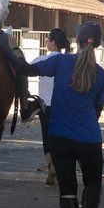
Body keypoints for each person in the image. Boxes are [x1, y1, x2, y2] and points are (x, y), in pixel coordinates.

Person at [22, 21, 104, 208]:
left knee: (67, 191)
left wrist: (10, 53)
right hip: (89, 138)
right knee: (92, 184)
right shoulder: (101, 75)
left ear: (76, 42)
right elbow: (97, 111)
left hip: (59, 137)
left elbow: (28, 70)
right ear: (97, 45)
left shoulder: (60, 61)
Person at [30, 28, 70, 185]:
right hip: (64, 106)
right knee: (62, 137)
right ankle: (62, 168)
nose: (46, 41)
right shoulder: (68, 61)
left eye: (47, 39)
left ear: (53, 42)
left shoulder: (42, 60)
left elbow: (24, 68)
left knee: (47, 138)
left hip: (46, 106)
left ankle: (51, 166)